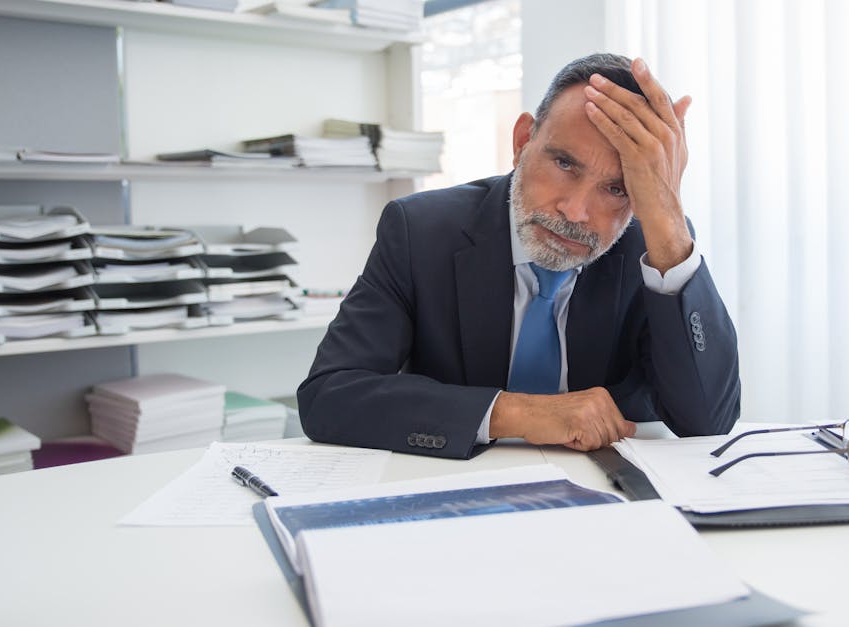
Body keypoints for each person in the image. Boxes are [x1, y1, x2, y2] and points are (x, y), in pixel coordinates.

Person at [297, 53, 740, 459]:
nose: (576, 211)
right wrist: (517, 413)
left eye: (616, 189)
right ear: (524, 139)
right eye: (565, 164)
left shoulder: (655, 245)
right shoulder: (420, 231)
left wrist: (667, 221)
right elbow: (330, 395)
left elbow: (708, 421)